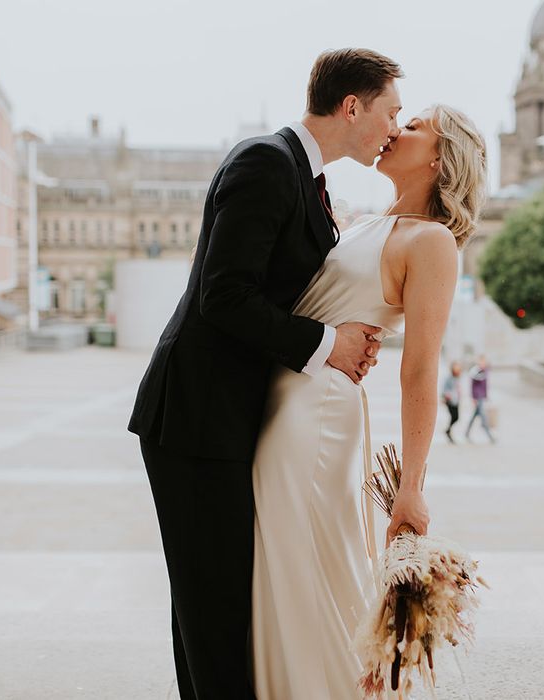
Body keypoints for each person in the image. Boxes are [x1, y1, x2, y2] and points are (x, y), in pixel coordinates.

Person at [127, 48, 404, 699]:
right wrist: (327, 344)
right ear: (352, 106)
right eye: (391, 111)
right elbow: (224, 295)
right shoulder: (265, 162)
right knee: (213, 611)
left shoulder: (302, 177)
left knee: (213, 607)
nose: (395, 126)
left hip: (226, 417)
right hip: (195, 417)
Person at [251, 99, 487, 697]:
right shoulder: (361, 222)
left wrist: (411, 487)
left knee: (306, 573)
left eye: (413, 127)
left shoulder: (432, 242)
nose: (394, 131)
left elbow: (420, 370)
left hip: (317, 414)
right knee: (280, 571)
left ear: (440, 157)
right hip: (283, 397)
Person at [465, 354, 496, 443]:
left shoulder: (485, 371)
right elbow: (472, 386)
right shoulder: (475, 371)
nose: (483, 363)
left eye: (484, 361)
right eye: (481, 361)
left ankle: (467, 433)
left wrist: (486, 396)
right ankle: (490, 436)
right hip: (478, 397)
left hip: (482, 397)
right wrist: (473, 398)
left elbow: (485, 385)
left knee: (474, 416)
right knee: (483, 417)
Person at [441, 361, 463, 444]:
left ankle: (448, 430)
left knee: (456, 417)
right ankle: (448, 431)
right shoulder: (449, 378)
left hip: (456, 400)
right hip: (450, 400)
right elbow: (444, 389)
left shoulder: (458, 377)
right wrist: (446, 396)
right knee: (455, 416)